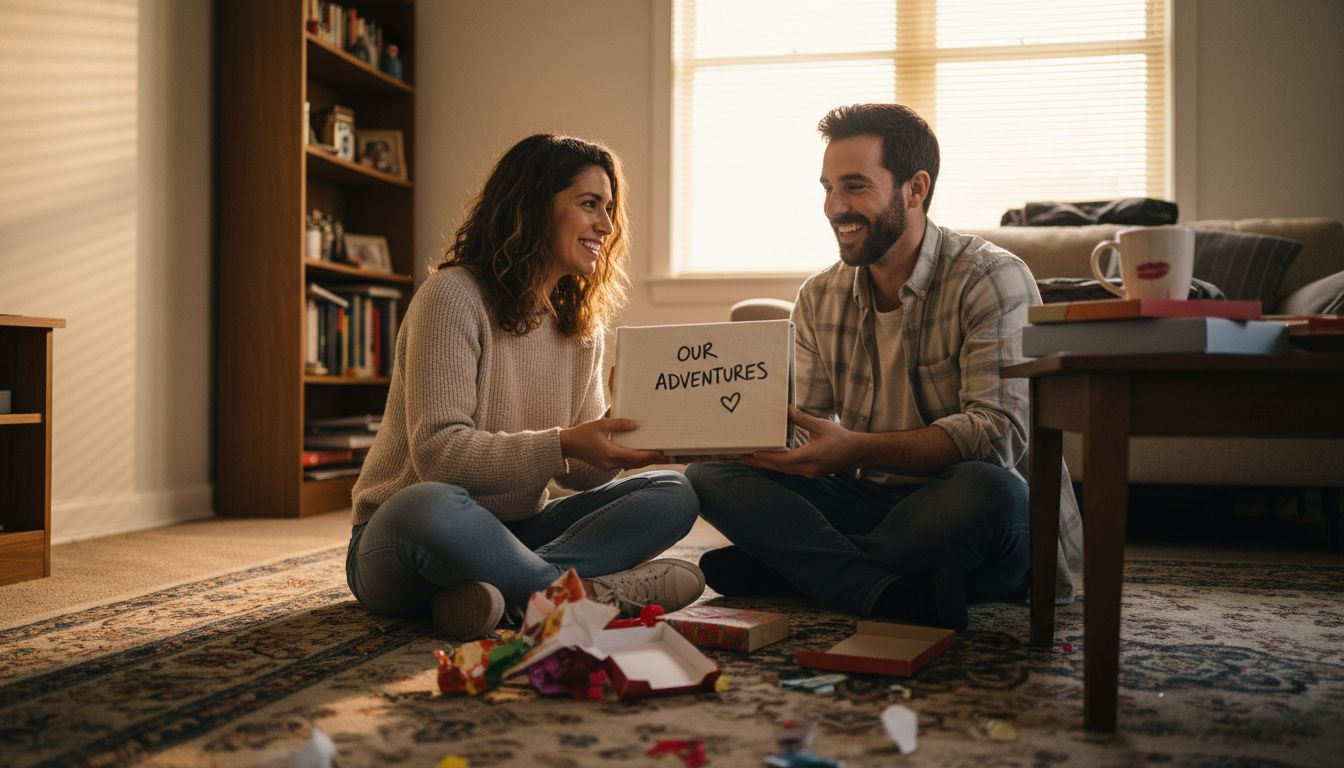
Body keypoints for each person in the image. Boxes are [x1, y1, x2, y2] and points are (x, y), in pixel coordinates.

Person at [686, 104, 1083, 631]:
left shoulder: (991, 278)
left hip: (962, 509)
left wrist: (854, 448)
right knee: (710, 477)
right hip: (870, 503)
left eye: (854, 186)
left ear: (915, 189)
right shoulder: (820, 296)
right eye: (828, 188)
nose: (834, 207)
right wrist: (707, 426)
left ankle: (802, 568)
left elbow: (998, 436)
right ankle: (885, 589)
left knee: (990, 492)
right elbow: (804, 430)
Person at [347, 134, 705, 640]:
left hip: (515, 536)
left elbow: (582, 477)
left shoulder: (582, 327)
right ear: (534, 207)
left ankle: (503, 593)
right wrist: (564, 442)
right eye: (589, 204)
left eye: (608, 209)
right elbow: (439, 456)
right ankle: (584, 595)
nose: (607, 226)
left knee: (673, 491)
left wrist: (617, 439)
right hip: (403, 542)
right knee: (425, 504)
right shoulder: (452, 297)